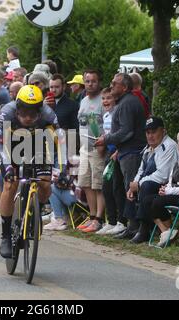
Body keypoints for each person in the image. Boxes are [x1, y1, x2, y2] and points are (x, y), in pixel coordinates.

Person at [0, 85, 66, 258]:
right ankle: (5, 235)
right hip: (11, 146)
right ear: (17, 108)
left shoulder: (49, 114)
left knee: (44, 182)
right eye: (24, 113)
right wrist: (7, 168)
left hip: (38, 145)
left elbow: (62, 141)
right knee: (9, 185)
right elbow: (0, 144)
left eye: (33, 114)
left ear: (40, 110)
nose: (28, 118)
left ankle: (37, 211)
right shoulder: (6, 113)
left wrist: (61, 170)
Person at [94, 73, 147, 239]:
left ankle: (136, 226)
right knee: (121, 187)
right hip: (124, 151)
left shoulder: (127, 104)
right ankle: (129, 224)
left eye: (114, 84)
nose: (111, 86)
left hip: (131, 152)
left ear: (124, 87)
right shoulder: (125, 102)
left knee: (130, 188)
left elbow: (126, 131)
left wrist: (106, 138)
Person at [125, 117, 178, 243]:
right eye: (148, 132)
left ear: (163, 131)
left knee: (147, 186)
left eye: (154, 132)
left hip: (165, 185)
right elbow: (141, 170)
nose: (150, 136)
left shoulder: (169, 146)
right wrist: (134, 184)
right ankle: (132, 225)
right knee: (132, 183)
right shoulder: (148, 148)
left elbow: (163, 175)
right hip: (149, 182)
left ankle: (144, 229)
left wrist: (139, 184)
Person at [75, 70, 106, 233]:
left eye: (93, 81)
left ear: (99, 82)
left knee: (97, 185)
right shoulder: (83, 99)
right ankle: (92, 216)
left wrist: (104, 142)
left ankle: (99, 218)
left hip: (97, 148)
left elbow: (108, 123)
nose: (90, 84)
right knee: (85, 183)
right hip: (84, 148)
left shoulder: (103, 100)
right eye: (87, 81)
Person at [96, 87, 127, 235]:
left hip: (118, 152)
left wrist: (118, 151)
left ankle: (121, 221)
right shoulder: (107, 116)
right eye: (103, 98)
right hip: (109, 152)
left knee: (117, 187)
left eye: (108, 98)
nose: (105, 101)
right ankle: (111, 221)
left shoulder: (118, 114)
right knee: (106, 187)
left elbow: (123, 134)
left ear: (115, 99)